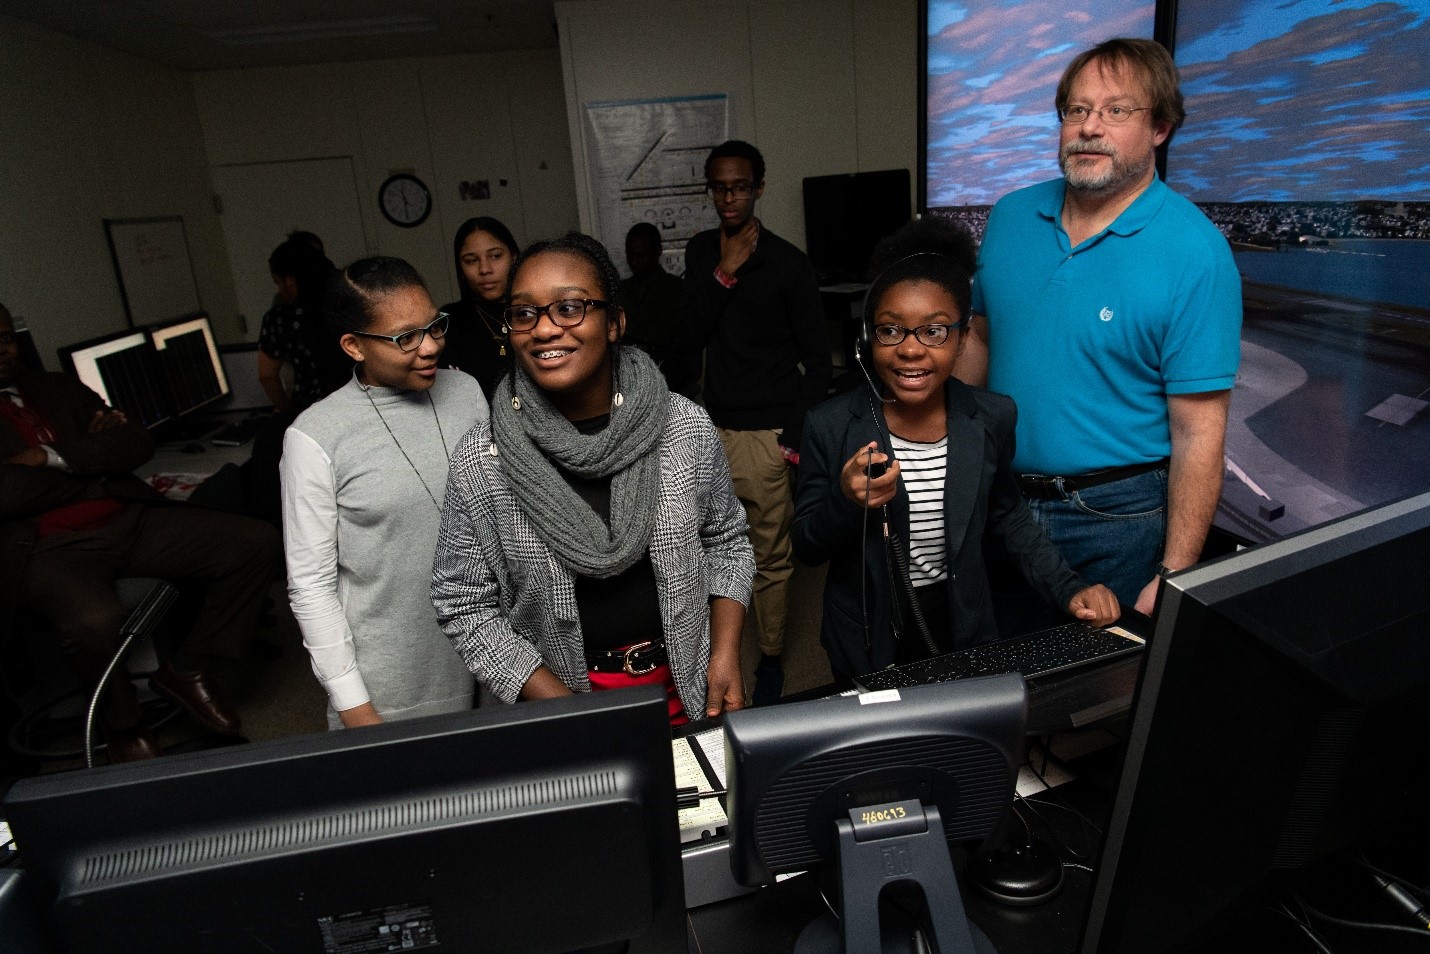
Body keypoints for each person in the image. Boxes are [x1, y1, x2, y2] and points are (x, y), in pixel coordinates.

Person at [956, 38, 1242, 619]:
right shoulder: (1010, 216)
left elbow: (1198, 434)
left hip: (1115, 520)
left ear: (1160, 128)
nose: (1090, 128)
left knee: (1095, 697)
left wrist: (1176, 572)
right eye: (1077, 110)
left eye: (1117, 111)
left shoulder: (1196, 252)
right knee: (995, 678)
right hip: (999, 500)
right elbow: (980, 342)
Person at [433, 233, 753, 725]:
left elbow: (726, 541)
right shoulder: (484, 456)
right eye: (524, 313)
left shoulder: (681, 426)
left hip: (685, 691)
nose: (543, 330)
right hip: (560, 710)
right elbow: (463, 603)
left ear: (614, 324)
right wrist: (570, 710)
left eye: (569, 308)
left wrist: (725, 651)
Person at [792, 221, 1119, 679]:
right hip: (867, 634)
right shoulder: (829, 425)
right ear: (868, 338)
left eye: (934, 332)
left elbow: (1009, 514)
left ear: (963, 338)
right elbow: (805, 545)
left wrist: (1068, 589)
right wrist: (846, 501)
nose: (911, 350)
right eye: (891, 330)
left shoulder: (991, 417)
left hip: (962, 624)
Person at [0, 302, 280, 761]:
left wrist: (49, 457)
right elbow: (6, 495)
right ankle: (123, 724)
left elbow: (134, 443)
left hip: (125, 515)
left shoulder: (51, 385)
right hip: (48, 547)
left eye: (7, 337)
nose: (4, 350)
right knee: (94, 622)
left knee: (255, 542)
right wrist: (90, 459)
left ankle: (188, 669)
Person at [282, 258, 487, 729]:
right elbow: (311, 587)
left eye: (434, 326)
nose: (430, 346)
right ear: (354, 346)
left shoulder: (468, 393)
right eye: (405, 338)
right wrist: (356, 707)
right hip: (392, 686)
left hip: (490, 660)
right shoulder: (315, 437)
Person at [683, 139, 831, 703]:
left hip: (765, 435)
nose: (730, 198)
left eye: (740, 186)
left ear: (759, 188)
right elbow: (689, 335)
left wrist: (790, 443)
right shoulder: (702, 253)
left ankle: (768, 658)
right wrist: (724, 274)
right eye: (719, 187)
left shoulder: (789, 264)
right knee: (700, 549)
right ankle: (711, 653)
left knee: (769, 558)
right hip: (705, 428)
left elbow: (819, 364)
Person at [258, 238, 347, 417]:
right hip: (359, 404)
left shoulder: (281, 318)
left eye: (278, 282)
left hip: (311, 411)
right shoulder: (348, 304)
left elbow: (267, 376)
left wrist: (286, 411)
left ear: (290, 281)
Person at [439, 216, 520, 401]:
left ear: (513, 257)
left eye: (495, 256)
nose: (484, 269)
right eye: (471, 260)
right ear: (461, 268)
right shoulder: (449, 322)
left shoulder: (538, 310)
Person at [618, 222, 695, 396]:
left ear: (657, 252)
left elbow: (684, 344)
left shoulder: (678, 290)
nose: (634, 262)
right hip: (629, 386)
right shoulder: (620, 291)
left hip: (671, 386)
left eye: (641, 255)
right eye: (630, 255)